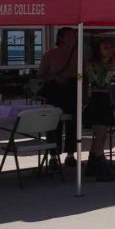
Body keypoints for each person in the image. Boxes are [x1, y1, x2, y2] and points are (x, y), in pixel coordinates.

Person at [39, 27, 79, 168]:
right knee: (53, 123)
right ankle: (53, 156)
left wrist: (72, 77)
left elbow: (84, 75)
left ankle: (71, 154)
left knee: (73, 124)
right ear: (60, 37)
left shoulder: (79, 55)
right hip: (55, 91)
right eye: (69, 35)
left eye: (74, 36)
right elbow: (41, 75)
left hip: (73, 91)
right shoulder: (50, 54)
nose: (72, 38)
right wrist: (55, 77)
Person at [82, 37, 115, 181]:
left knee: (101, 134)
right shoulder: (92, 65)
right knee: (101, 134)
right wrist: (111, 71)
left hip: (106, 99)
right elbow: (99, 82)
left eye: (110, 47)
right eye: (105, 48)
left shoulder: (110, 63)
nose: (109, 51)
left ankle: (92, 164)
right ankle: (100, 166)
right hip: (97, 99)